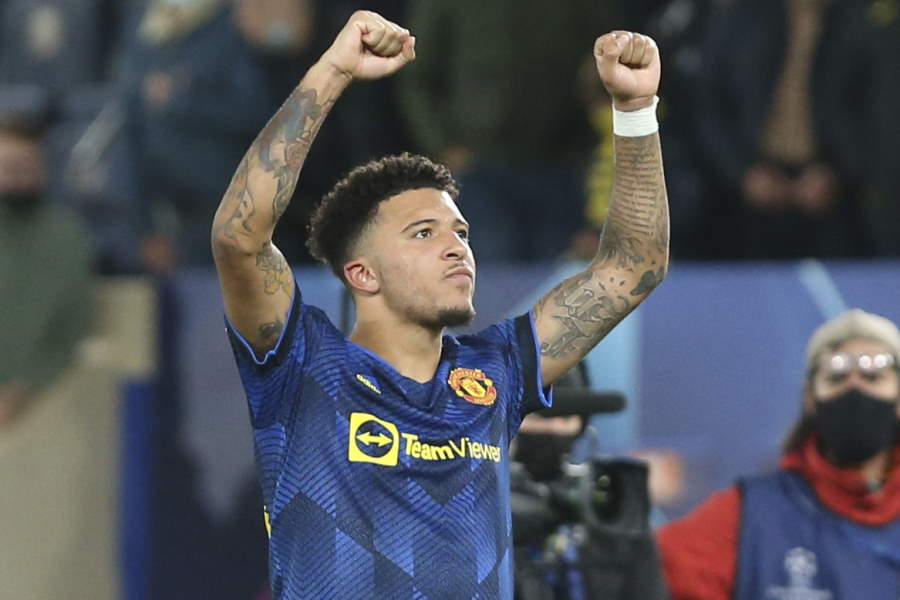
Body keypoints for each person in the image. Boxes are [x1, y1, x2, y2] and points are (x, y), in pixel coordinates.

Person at [212, 10, 668, 599]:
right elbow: (239, 237)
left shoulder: (498, 370)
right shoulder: (303, 366)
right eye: (424, 233)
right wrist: (333, 70)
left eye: (462, 233)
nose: (457, 248)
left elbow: (634, 265)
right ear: (361, 273)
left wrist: (634, 111)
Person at [657, 309, 900, 599]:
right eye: (836, 378)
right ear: (810, 399)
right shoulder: (748, 515)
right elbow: (650, 571)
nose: (854, 388)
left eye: (873, 377)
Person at [0, 109, 93, 426]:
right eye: (7, 167)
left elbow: (71, 326)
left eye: (24, 166)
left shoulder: (65, 236)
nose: (15, 177)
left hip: (44, 401)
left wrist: (23, 388)